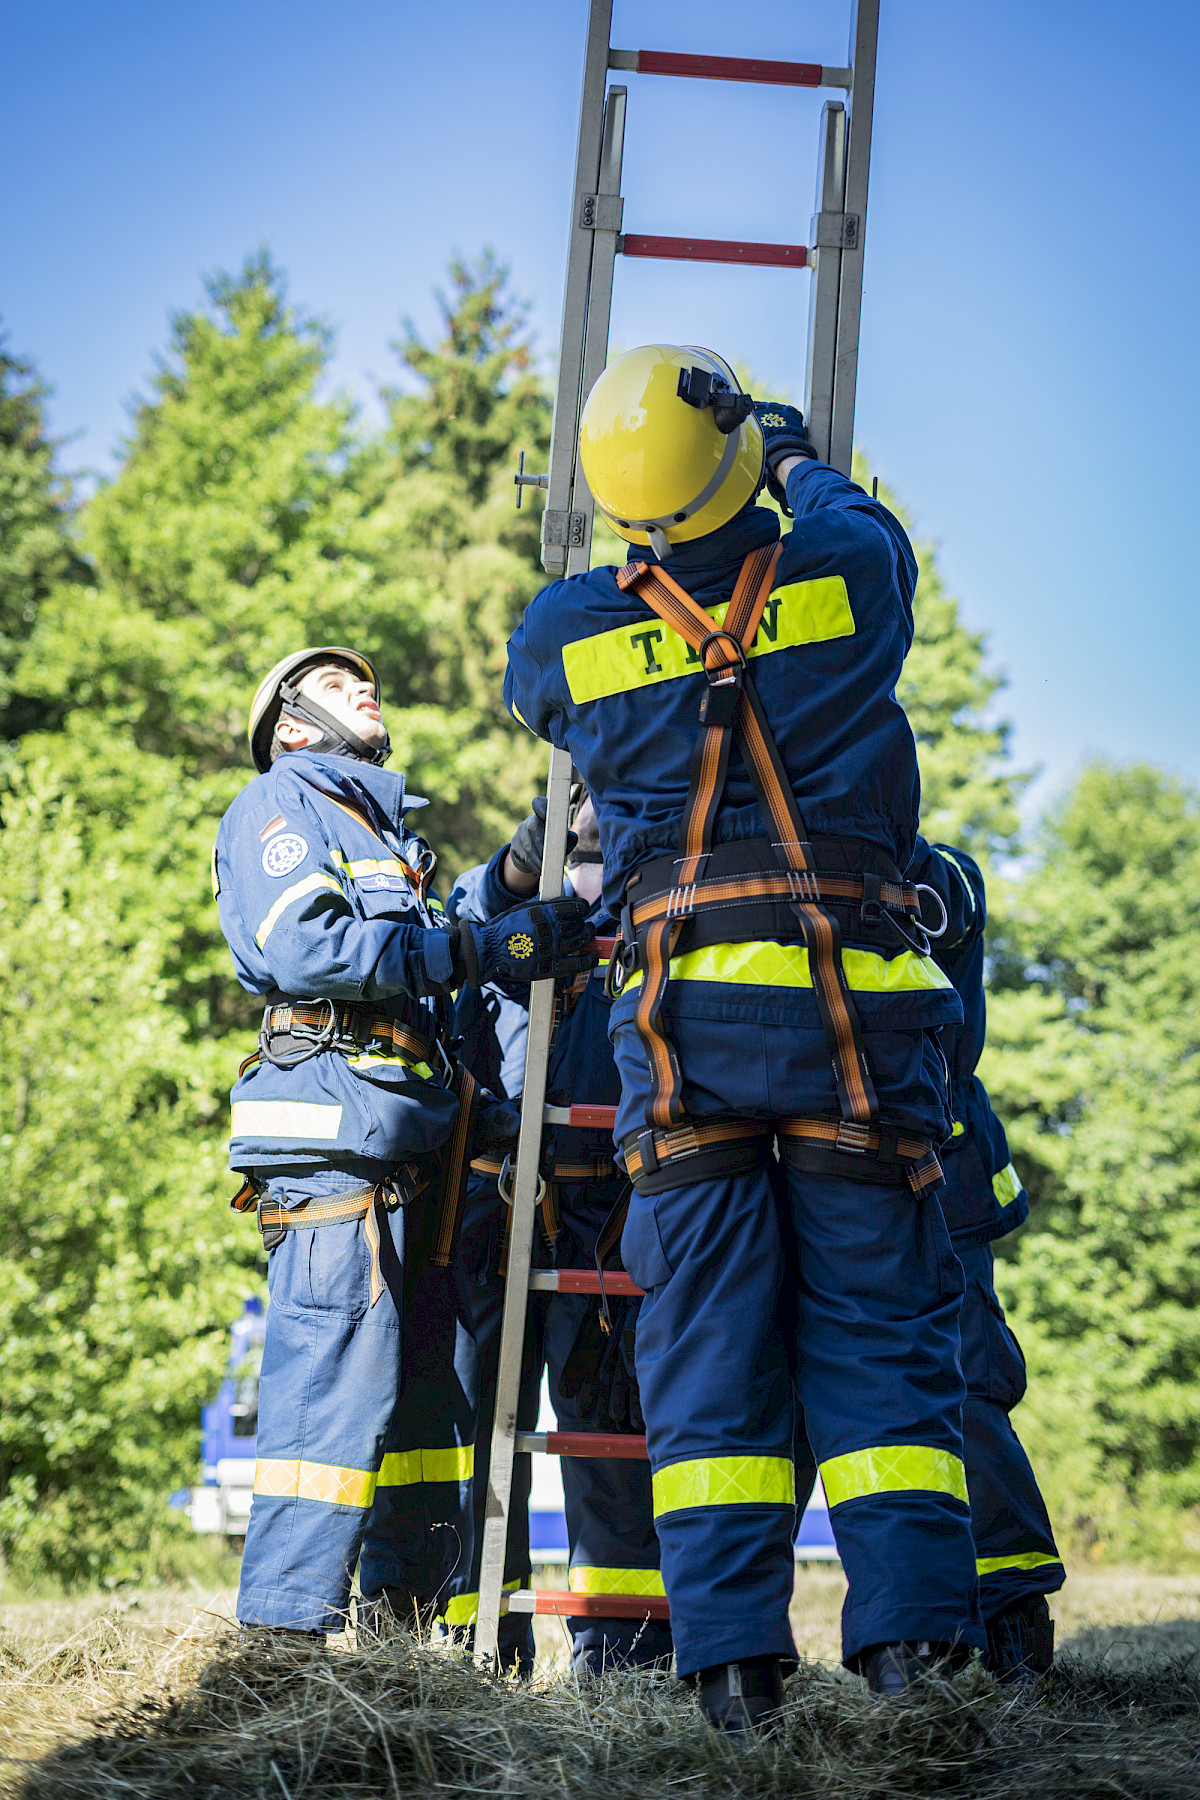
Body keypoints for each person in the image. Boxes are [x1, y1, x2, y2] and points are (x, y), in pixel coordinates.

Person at [505, 344, 984, 1727]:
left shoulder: (571, 627)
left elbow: (545, 695)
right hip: (857, 1030)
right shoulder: (843, 573)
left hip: (684, 1037)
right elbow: (869, 534)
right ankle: (909, 1665)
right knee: (881, 1346)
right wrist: (791, 455)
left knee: (706, 1358)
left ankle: (731, 1680)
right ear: (729, 458)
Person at [213, 645, 592, 1639]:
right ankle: (284, 1644)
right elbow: (311, 948)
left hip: (408, 1155)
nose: (365, 687)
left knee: (427, 1418)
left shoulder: (378, 833)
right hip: (338, 1143)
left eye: (365, 680)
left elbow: (437, 935)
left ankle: (400, 1642)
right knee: (329, 1399)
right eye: (337, 686)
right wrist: (468, 946)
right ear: (292, 726)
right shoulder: (282, 808)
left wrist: (524, 865)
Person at [445, 792, 672, 1676]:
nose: (595, 811)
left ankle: (621, 1656)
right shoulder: (501, 895)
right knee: (482, 1432)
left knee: (608, 1429)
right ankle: (475, 1644)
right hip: (499, 1206)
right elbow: (459, 932)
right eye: (579, 796)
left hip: (605, 1213)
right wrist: (519, 864)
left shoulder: (653, 897)